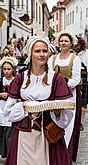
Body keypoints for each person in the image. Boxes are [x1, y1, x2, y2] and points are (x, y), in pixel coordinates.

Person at [4, 35, 75, 165]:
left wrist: (57, 111)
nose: (41, 54)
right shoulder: (20, 78)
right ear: (30, 54)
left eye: (44, 51)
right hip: (23, 136)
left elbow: (67, 115)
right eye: (37, 51)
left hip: (47, 135)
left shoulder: (56, 79)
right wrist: (23, 107)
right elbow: (8, 111)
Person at [48, 32, 82, 163]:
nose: (63, 43)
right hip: (55, 95)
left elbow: (76, 79)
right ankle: (54, 152)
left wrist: (63, 85)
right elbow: (49, 75)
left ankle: (65, 154)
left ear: (71, 43)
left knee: (68, 123)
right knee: (54, 121)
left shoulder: (75, 59)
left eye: (66, 41)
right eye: (61, 41)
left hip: (70, 95)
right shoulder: (53, 59)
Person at [0, 57, 18, 158]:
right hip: (2, 107)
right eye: (5, 69)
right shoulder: (0, 81)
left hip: (12, 108)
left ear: (13, 69)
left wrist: (9, 96)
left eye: (9, 69)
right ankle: (3, 152)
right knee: (2, 130)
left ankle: (11, 153)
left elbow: (19, 95)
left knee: (10, 131)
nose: (6, 71)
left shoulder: (16, 80)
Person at [73, 37, 88, 131]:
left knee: (83, 103)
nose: (75, 46)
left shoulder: (86, 54)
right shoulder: (73, 54)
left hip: (84, 79)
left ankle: (80, 122)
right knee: (74, 101)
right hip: (74, 80)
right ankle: (74, 121)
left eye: (77, 44)